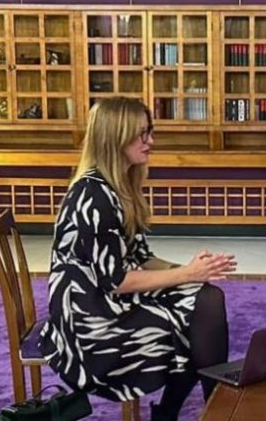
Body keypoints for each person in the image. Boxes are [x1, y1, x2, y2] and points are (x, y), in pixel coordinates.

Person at [39, 97, 236, 420]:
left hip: (109, 299)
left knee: (206, 299)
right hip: (89, 320)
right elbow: (115, 281)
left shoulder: (118, 186)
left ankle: (194, 410)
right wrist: (187, 274)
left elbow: (142, 257)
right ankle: (213, 410)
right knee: (189, 321)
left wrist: (194, 271)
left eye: (150, 132)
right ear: (115, 137)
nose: (151, 141)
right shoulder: (94, 196)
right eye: (141, 134)